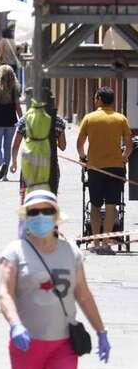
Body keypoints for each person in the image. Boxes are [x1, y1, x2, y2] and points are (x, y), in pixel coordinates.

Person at [0, 190, 110, 369]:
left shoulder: (70, 252)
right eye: (34, 212)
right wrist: (15, 324)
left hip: (64, 345)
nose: (40, 216)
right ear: (27, 217)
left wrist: (101, 331)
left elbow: (83, 295)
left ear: (56, 217)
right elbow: (5, 293)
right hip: (27, 344)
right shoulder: (14, 252)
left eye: (47, 211)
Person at [77, 86, 133, 250]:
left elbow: (79, 144)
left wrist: (83, 158)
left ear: (100, 99)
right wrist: (122, 158)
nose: (94, 101)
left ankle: (95, 242)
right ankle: (106, 242)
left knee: (94, 204)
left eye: (95, 98)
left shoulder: (89, 118)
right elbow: (129, 145)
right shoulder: (121, 119)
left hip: (95, 167)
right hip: (116, 168)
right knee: (111, 205)